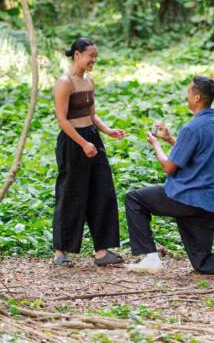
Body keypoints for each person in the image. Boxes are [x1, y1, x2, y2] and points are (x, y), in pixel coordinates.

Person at [124, 76, 214, 280]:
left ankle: (150, 257)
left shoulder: (192, 128)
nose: (187, 95)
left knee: (134, 199)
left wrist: (156, 144)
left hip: (184, 198)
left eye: (189, 92)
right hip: (209, 204)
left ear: (197, 97)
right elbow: (198, 156)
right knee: (202, 261)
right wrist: (171, 140)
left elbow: (169, 167)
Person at [52, 38, 125, 266]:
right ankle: (60, 252)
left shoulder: (89, 81)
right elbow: (62, 120)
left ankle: (102, 252)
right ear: (77, 55)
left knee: (103, 191)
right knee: (71, 194)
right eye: (90, 56)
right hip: (73, 142)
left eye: (95, 56)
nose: (93, 60)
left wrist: (108, 130)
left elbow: (92, 115)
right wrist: (83, 143)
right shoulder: (65, 83)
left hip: (93, 139)